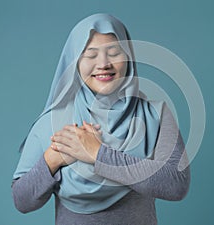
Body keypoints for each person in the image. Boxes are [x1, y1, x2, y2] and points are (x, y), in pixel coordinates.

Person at [12, 13, 190, 225]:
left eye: (114, 52)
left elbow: (176, 184)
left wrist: (96, 153)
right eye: (91, 54)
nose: (103, 64)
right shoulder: (53, 122)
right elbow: (22, 201)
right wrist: (52, 159)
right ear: (75, 61)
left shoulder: (155, 115)